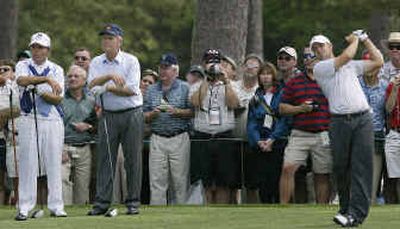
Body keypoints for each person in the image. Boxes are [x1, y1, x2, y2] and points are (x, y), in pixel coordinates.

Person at [310, 31, 383, 226]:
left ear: (330, 46)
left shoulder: (350, 66)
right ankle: (345, 209)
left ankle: (356, 214)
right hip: (339, 122)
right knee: (341, 168)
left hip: (362, 120)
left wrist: (366, 39)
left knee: (361, 167)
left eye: (321, 45)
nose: (318, 49)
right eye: (315, 47)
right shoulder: (320, 68)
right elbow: (347, 55)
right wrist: (355, 40)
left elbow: (378, 61)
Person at [87, 23, 143, 216]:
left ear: (120, 40)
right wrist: (110, 76)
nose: (106, 41)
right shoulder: (96, 62)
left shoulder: (131, 61)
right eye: (104, 38)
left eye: (110, 38)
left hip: (132, 113)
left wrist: (107, 87)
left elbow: (131, 90)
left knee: (133, 159)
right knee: (105, 159)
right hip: (108, 114)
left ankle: (133, 202)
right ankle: (102, 203)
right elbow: (91, 85)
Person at [14, 32, 67, 220]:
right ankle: (25, 207)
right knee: (28, 163)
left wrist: (39, 90)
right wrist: (45, 81)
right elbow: (21, 80)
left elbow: (58, 97)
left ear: (48, 50)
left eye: (41, 47)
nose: (36, 51)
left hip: (52, 120)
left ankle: (56, 206)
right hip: (28, 118)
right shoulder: (22, 65)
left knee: (53, 163)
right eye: (34, 47)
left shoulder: (57, 69)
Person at [279, 49, 332, 204]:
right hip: (300, 133)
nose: (308, 59)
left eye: (312, 56)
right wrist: (300, 109)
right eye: (305, 57)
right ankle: (283, 208)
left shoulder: (328, 80)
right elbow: (282, 108)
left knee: (321, 174)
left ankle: (321, 209)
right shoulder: (295, 82)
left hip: (323, 133)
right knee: (288, 168)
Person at [189, 49, 240, 204]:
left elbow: (233, 104)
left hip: (223, 136)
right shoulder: (196, 86)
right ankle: (207, 212)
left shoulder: (231, 85)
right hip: (203, 136)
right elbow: (196, 103)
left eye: (215, 61)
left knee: (223, 182)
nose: (212, 64)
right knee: (206, 181)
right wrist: (207, 79)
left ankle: (221, 213)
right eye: (209, 61)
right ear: (204, 64)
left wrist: (224, 81)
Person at [144, 53, 193, 205]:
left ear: (175, 71)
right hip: (157, 138)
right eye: (161, 67)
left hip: (179, 137)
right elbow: (144, 115)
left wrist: (176, 111)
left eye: (166, 68)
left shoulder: (185, 87)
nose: (163, 71)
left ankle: (182, 217)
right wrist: (154, 113)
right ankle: (156, 218)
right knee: (157, 180)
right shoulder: (151, 89)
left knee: (179, 181)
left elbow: (193, 112)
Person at [247, 62, 288, 203]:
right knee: (262, 180)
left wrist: (272, 139)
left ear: (273, 76)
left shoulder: (282, 93)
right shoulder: (256, 97)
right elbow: (251, 121)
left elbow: (284, 120)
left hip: (278, 142)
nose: (265, 77)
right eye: (262, 74)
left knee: (276, 177)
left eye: (268, 74)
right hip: (261, 143)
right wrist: (258, 140)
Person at [61, 65, 96, 205]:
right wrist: (59, 148)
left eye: (76, 76)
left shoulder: (92, 99)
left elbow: (97, 123)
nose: (72, 79)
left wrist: (88, 126)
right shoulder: (59, 98)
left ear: (84, 80)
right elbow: (55, 125)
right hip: (63, 146)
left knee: (82, 189)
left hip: (84, 148)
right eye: (69, 76)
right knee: (63, 185)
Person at [231, 54, 262, 203]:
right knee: (232, 183)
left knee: (252, 184)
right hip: (233, 139)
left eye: (255, 66)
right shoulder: (233, 86)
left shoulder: (261, 89)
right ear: (243, 67)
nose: (251, 69)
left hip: (254, 142)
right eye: (248, 65)